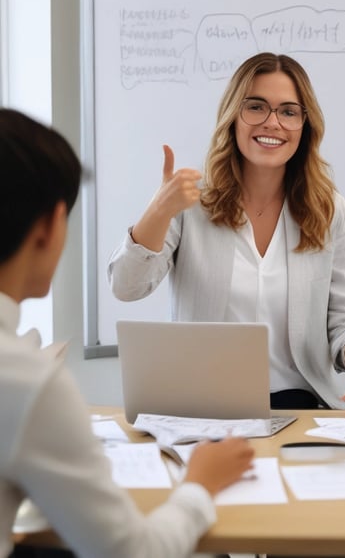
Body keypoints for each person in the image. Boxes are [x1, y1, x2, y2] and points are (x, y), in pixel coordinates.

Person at [0, 108, 255, 558]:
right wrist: (200, 484)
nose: (271, 122)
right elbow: (132, 553)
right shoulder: (26, 380)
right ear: (50, 226)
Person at [108, 52, 345, 411]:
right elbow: (126, 287)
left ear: (304, 125)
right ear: (233, 116)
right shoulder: (189, 202)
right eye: (256, 107)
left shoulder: (330, 212)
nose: (272, 123)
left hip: (301, 405)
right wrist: (158, 211)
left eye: (288, 111)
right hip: (203, 405)